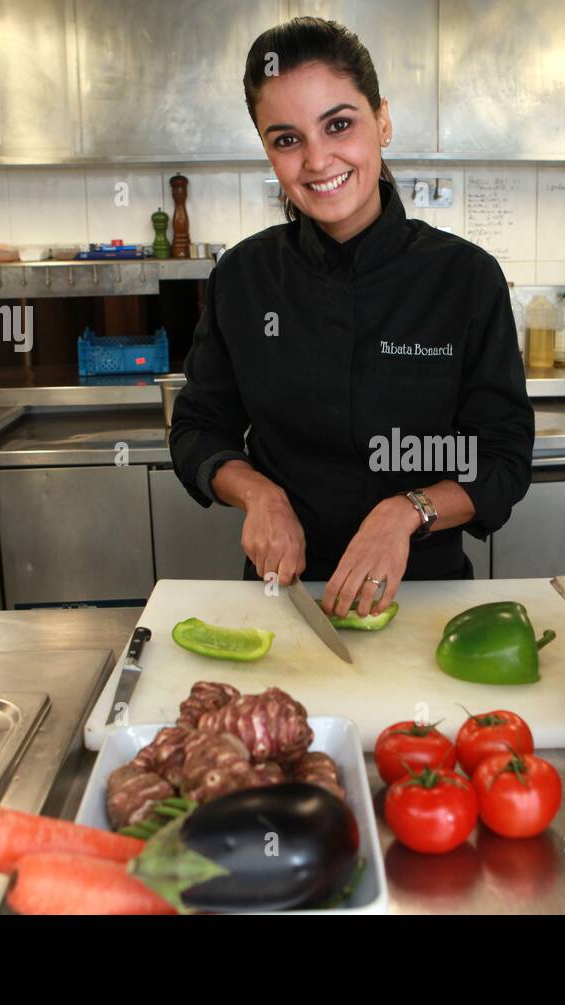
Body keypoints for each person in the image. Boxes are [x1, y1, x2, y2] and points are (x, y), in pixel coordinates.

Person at [170, 16, 533, 621]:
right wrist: (258, 494)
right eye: (287, 139)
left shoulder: (465, 279)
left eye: (339, 124)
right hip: (283, 598)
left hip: (425, 596)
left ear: (382, 121)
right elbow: (198, 429)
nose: (317, 160)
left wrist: (407, 511)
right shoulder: (243, 276)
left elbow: (503, 458)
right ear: (268, 149)